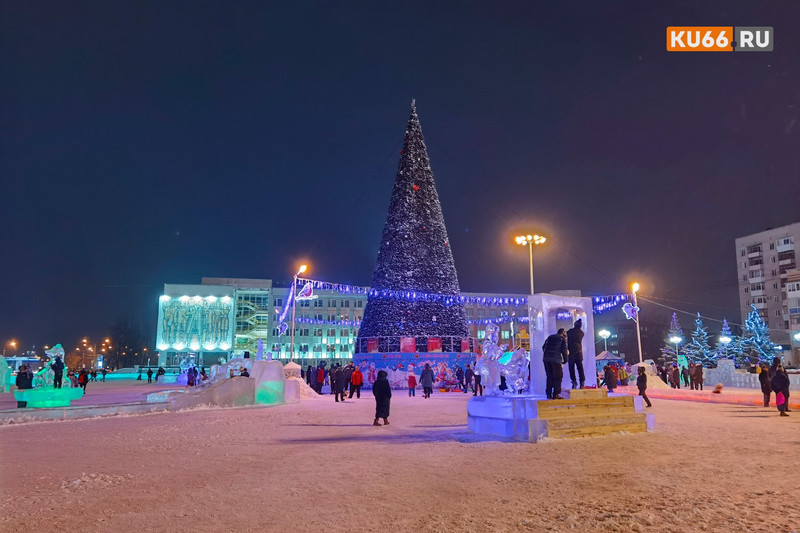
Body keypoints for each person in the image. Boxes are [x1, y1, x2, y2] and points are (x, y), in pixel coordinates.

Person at [542, 328, 568, 400]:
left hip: (546, 359)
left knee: (549, 376)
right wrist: (565, 360)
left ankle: (548, 394)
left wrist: (547, 354)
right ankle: (556, 394)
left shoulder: (550, 337)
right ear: (563, 333)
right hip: (556, 360)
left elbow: (543, 347)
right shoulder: (562, 338)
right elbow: (564, 350)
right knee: (558, 377)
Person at [566, 319, 585, 389]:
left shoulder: (570, 332)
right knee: (580, 368)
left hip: (571, 353)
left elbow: (565, 333)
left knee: (571, 368)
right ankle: (582, 382)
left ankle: (574, 382)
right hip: (579, 353)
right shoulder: (581, 333)